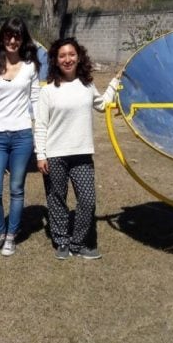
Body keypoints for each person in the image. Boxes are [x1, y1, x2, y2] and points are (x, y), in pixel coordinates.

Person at [33, 37, 120, 260]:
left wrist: (113, 85)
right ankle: (61, 241)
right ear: (56, 60)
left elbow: (101, 105)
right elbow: (41, 125)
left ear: (78, 56)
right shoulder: (48, 91)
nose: (67, 59)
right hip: (55, 155)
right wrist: (41, 154)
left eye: (71, 54)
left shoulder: (87, 85)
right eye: (62, 56)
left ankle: (78, 243)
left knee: (88, 200)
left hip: (82, 153)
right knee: (57, 199)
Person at [0, 17, 41, 256]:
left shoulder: (30, 67)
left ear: (23, 40)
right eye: (8, 36)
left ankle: (11, 235)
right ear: (2, 38)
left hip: (22, 135)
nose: (12, 40)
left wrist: (41, 130)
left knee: (16, 188)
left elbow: (36, 100)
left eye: (17, 36)